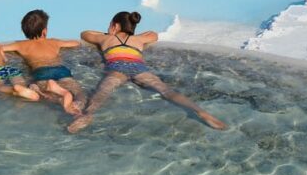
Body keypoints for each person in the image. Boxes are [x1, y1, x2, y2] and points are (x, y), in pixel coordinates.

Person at [67, 11, 227, 133]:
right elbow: (153, 35)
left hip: (117, 68)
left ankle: (87, 115)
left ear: (115, 26)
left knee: (102, 92)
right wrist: (133, 34)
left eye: (110, 25)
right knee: (167, 91)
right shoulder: (139, 40)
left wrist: (109, 33)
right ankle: (201, 112)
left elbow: (85, 33)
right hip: (138, 67)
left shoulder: (106, 39)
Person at [2, 10, 84, 115]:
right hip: (61, 70)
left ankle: (58, 97)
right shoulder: (54, 42)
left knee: (45, 96)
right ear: (45, 31)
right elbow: (75, 43)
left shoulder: (21, 45)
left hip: (40, 72)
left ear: (25, 32)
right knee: (79, 93)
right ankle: (76, 109)